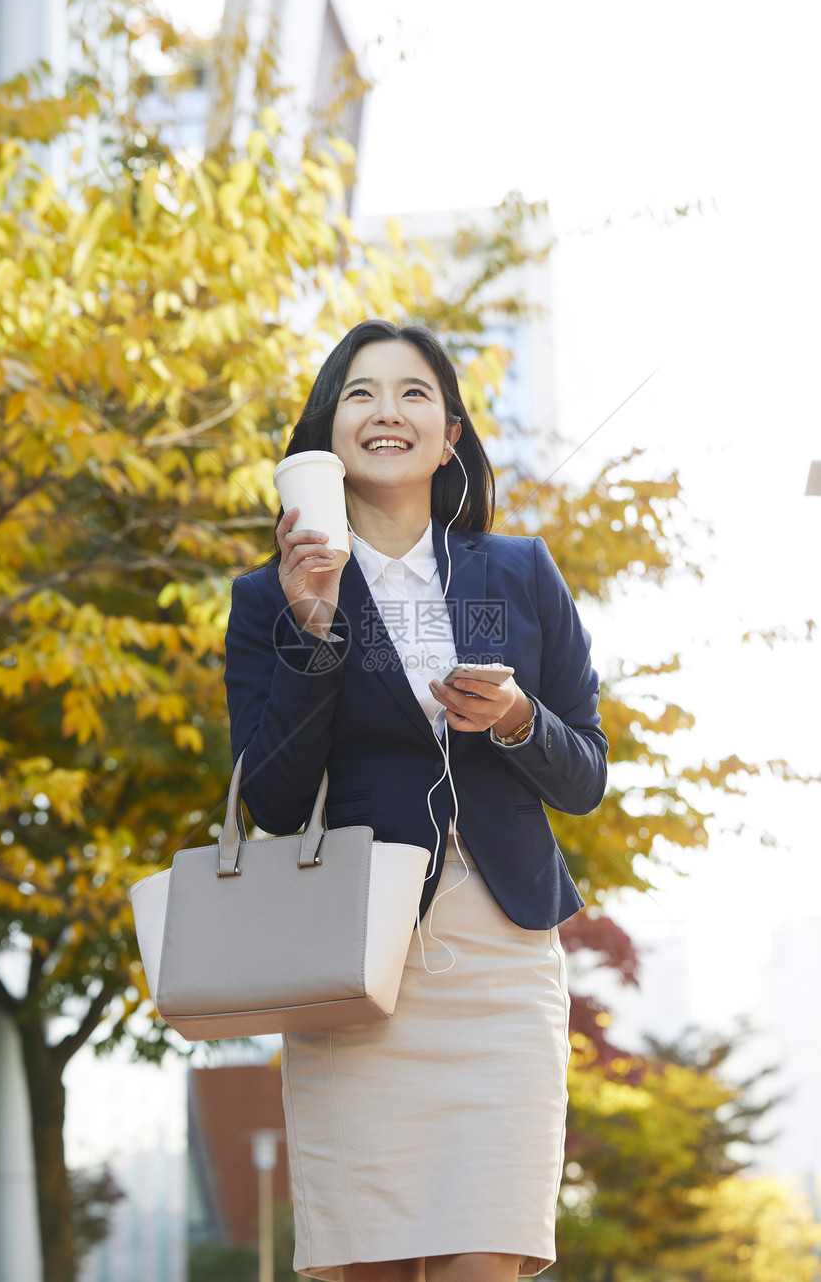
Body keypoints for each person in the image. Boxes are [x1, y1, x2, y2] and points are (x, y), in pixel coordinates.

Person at [224, 319, 608, 1282]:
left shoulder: (518, 572)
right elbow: (270, 800)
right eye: (360, 393)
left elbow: (587, 776)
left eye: (413, 393)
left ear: (450, 434)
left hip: (503, 971)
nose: (386, 410)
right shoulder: (270, 597)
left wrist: (518, 717)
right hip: (353, 967)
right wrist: (312, 635)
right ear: (325, 435)